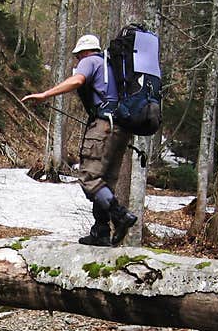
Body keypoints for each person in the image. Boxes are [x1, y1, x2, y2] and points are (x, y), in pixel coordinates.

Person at [21, 33, 138, 246]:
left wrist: (46, 94)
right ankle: (101, 232)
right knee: (104, 184)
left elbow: (78, 80)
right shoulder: (112, 66)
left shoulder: (90, 61)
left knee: (88, 179)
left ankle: (120, 216)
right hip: (121, 129)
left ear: (84, 52)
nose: (77, 61)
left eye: (77, 57)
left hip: (103, 127)